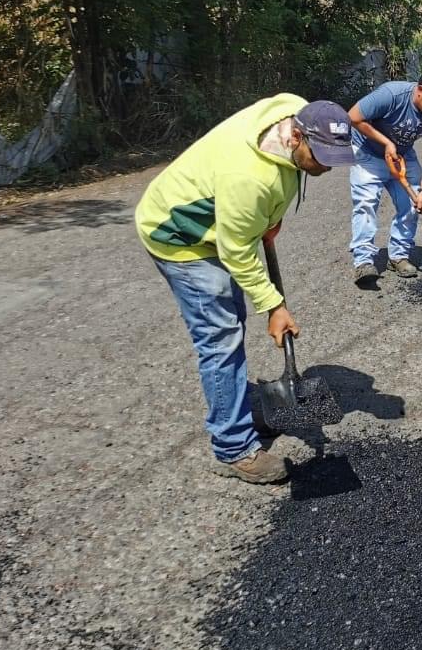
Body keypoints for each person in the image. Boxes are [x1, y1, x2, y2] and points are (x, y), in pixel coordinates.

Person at [136, 96, 355, 484]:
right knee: (220, 337)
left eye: (332, 155)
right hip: (178, 233)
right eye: (318, 155)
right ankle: (233, 447)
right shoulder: (250, 178)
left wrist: (269, 219)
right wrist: (274, 307)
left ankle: (239, 405)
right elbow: (236, 250)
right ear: (296, 137)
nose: (324, 165)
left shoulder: (295, 108)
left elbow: (248, 229)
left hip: (223, 218)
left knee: (231, 319)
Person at [347, 70, 422, 287]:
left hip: (402, 155)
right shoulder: (391, 95)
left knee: (413, 206)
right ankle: (364, 262)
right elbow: (353, 117)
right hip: (367, 153)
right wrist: (386, 142)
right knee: (366, 204)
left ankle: (398, 256)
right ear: (420, 90)